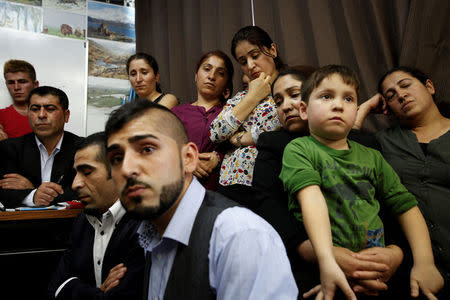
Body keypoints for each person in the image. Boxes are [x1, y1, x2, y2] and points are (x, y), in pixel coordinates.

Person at [104, 100, 298, 300]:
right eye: (117, 158)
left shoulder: (238, 236)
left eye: (147, 149)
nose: (127, 169)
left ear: (188, 158)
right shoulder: (150, 235)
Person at [279, 65, 443, 300]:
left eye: (348, 99)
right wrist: (327, 261)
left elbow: (405, 205)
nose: (338, 105)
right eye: (326, 96)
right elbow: (311, 199)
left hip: (378, 278)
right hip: (324, 274)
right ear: (303, 110)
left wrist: (425, 263)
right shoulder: (299, 149)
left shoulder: (372, 156)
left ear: (356, 110)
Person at [354, 66, 450, 298]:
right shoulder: (383, 142)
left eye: (405, 85)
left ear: (429, 86)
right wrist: (364, 109)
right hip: (410, 272)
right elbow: (343, 150)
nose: (400, 95)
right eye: (390, 95)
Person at [48, 132, 144, 300]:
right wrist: (98, 293)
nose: (75, 184)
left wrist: (74, 286)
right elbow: (54, 289)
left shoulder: (145, 223)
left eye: (87, 172)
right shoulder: (82, 222)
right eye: (76, 173)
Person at [209, 26, 282, 200]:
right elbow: (216, 132)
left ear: (272, 50)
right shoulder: (241, 97)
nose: (250, 65)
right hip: (230, 183)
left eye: (255, 55)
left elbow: (286, 128)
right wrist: (252, 97)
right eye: (243, 61)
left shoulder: (289, 87)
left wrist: (238, 138)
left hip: (271, 181)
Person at [0, 86, 82, 208]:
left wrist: (34, 190)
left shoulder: (83, 148)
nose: (41, 115)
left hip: (70, 223)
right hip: (20, 225)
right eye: (35, 109)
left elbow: (85, 192)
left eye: (50, 109)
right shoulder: (9, 148)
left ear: (66, 115)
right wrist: (34, 195)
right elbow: (4, 192)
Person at [172, 50, 233, 190]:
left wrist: (218, 158)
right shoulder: (176, 113)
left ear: (226, 86)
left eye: (220, 73)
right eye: (207, 69)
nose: (211, 76)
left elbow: (240, 146)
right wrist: (185, 160)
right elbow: (159, 149)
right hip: (178, 191)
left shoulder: (231, 114)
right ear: (196, 76)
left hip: (218, 195)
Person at [0, 59, 38, 140]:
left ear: (35, 84)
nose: (16, 87)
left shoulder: (48, 113)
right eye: (11, 83)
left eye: (22, 82)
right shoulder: (1, 116)